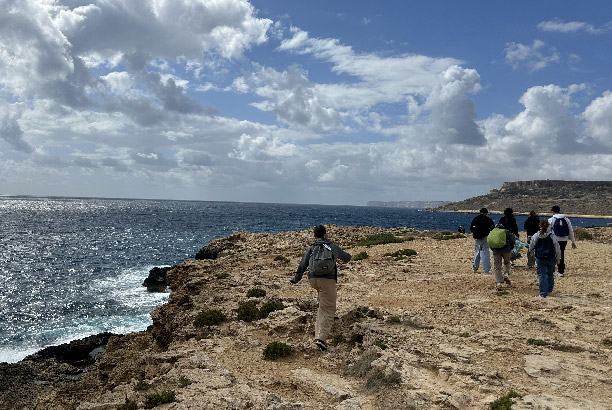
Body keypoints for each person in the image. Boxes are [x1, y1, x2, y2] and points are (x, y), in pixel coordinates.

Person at [290, 225, 352, 351]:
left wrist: (295, 279)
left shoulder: (312, 247)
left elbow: (303, 264)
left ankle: (317, 335)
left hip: (313, 279)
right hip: (327, 280)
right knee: (329, 308)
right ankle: (322, 340)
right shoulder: (332, 246)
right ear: (325, 234)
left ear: (314, 236)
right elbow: (347, 258)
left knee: (322, 306)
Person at [528, 220, 561, 298]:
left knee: (542, 275)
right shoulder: (552, 236)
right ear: (549, 226)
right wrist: (558, 258)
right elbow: (557, 248)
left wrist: (532, 254)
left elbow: (531, 246)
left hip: (540, 257)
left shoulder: (536, 235)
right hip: (550, 258)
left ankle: (543, 293)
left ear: (540, 226)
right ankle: (549, 290)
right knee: (550, 274)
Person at [548, 206, 577, 277]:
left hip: (555, 239)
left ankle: (551, 269)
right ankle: (560, 271)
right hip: (564, 239)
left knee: (553, 254)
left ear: (553, 212)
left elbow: (547, 231)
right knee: (561, 254)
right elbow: (570, 231)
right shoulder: (566, 219)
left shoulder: (551, 220)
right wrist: (573, 241)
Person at [489, 223, 520, 288]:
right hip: (506, 250)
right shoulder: (506, 232)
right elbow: (513, 240)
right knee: (507, 262)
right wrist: (510, 248)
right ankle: (506, 273)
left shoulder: (493, 232)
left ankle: (499, 283)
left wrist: (493, 249)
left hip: (496, 251)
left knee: (497, 267)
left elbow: (490, 242)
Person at [470, 208, 495, 274]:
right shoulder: (488, 219)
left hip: (476, 237)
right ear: (486, 213)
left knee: (477, 252)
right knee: (485, 253)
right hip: (485, 237)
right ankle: (486, 270)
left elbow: (471, 229)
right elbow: (493, 228)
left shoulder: (475, 219)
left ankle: (475, 268)